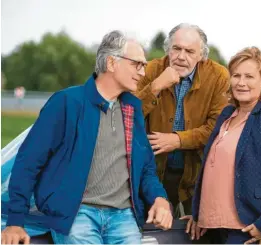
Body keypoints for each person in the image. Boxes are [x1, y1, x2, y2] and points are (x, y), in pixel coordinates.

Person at [1, 30, 173, 245]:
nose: (142, 72)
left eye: (144, 65)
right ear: (111, 62)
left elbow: (145, 166)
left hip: (123, 217)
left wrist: (159, 198)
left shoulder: (132, 108)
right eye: (137, 64)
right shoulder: (66, 102)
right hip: (76, 215)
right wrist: (15, 220)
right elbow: (29, 162)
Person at [186, 47, 261, 244]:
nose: (241, 82)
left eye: (249, 76)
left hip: (250, 227)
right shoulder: (227, 114)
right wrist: (198, 213)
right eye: (236, 75)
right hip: (213, 227)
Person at [135, 23, 229, 215]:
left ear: (201, 55)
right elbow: (127, 114)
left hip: (197, 174)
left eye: (189, 51)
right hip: (152, 172)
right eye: (176, 49)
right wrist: (156, 86)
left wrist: (178, 140)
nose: (181, 57)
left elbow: (217, 127)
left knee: (195, 234)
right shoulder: (151, 70)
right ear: (168, 49)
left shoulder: (219, 76)